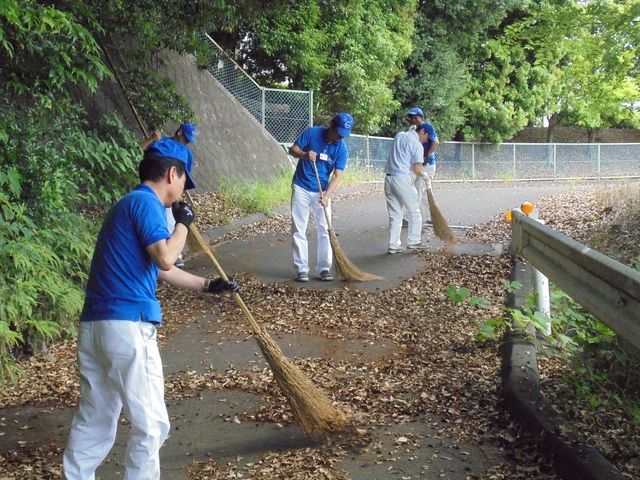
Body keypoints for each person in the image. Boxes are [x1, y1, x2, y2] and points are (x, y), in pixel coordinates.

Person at [63, 142, 239, 480]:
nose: (181, 193)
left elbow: (161, 269)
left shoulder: (127, 204)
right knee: (151, 425)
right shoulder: (145, 203)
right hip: (127, 327)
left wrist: (207, 285)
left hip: (97, 327)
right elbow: (166, 256)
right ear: (172, 173)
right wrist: (183, 224)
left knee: (96, 419)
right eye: (183, 182)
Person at [288, 112, 354, 282]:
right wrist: (304, 154)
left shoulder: (341, 148)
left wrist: (326, 196)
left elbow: (337, 176)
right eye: (338, 133)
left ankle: (324, 268)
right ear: (331, 126)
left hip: (322, 191)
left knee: (325, 229)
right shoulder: (312, 133)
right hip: (302, 186)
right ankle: (301, 269)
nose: (340, 138)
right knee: (299, 228)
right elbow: (293, 149)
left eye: (343, 135)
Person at [141, 122, 199, 268]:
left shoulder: (187, 154)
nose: (186, 142)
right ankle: (166, 252)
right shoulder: (160, 143)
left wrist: (177, 194)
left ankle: (175, 253)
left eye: (188, 141)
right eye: (185, 138)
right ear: (179, 132)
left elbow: (183, 178)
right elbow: (138, 150)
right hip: (158, 189)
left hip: (168, 191)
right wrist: (151, 139)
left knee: (171, 217)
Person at [385, 122, 433, 254]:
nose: (426, 140)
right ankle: (414, 242)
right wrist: (425, 175)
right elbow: (417, 169)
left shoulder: (399, 135)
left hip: (389, 178)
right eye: (427, 137)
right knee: (415, 212)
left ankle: (393, 245)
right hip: (402, 179)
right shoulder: (417, 146)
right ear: (423, 131)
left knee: (395, 214)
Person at [403, 107, 440, 225]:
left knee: (420, 190)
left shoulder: (427, 127)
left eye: (416, 117)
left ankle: (410, 218)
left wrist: (426, 155)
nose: (413, 119)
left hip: (427, 164)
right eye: (411, 118)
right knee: (421, 191)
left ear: (421, 117)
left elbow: (435, 142)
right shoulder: (412, 130)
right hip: (418, 164)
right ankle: (430, 218)